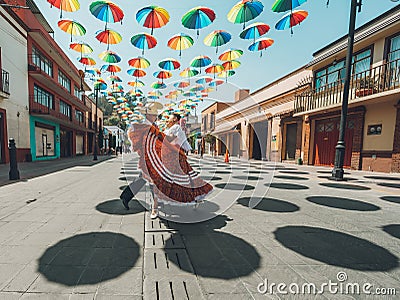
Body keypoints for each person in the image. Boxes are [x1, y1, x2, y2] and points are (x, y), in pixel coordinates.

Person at [127, 119, 213, 219]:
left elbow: (169, 140)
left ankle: (193, 197)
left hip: (174, 157)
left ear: (175, 120)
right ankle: (156, 205)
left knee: (180, 180)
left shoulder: (176, 128)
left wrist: (156, 133)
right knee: (165, 181)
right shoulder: (170, 128)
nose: (167, 120)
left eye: (170, 118)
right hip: (168, 158)